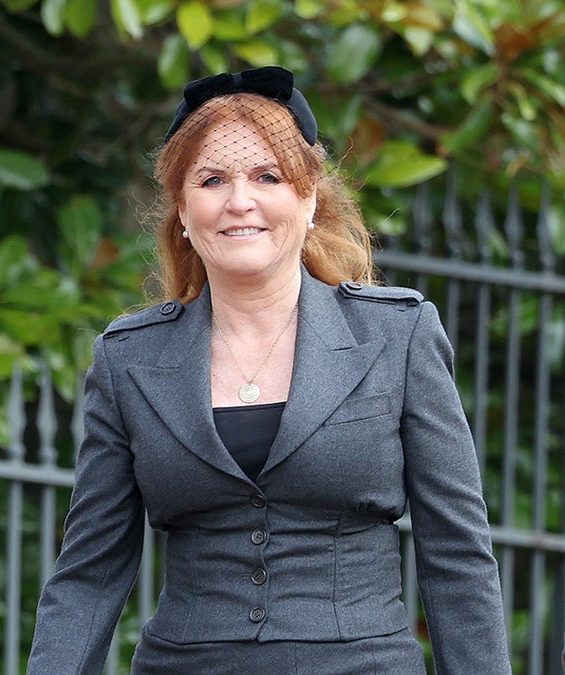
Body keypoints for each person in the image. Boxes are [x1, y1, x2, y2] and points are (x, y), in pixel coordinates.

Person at [27, 66, 510, 673]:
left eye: (268, 176)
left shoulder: (398, 335)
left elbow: (457, 553)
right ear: (182, 207)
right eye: (211, 180)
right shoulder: (129, 359)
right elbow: (90, 573)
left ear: (308, 199)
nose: (239, 201)